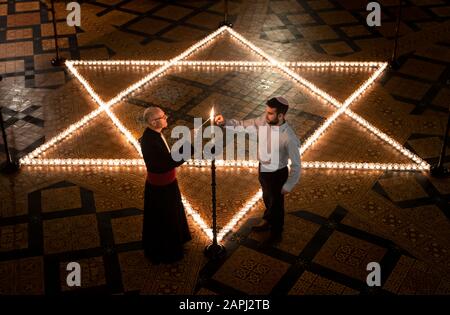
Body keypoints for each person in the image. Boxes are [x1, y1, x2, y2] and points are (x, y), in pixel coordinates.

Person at [215, 97, 301, 242]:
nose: (266, 116)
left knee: (277, 205)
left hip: (277, 174)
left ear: (281, 115)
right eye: (266, 112)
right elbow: (243, 125)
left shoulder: (289, 138)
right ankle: (268, 220)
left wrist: (289, 184)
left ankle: (276, 233)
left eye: (270, 113)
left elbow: (297, 165)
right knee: (267, 198)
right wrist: (226, 122)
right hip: (263, 169)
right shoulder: (263, 121)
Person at [139, 106, 192, 264]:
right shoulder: (150, 141)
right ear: (153, 122)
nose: (166, 118)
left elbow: (167, 157)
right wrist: (189, 144)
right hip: (160, 189)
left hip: (167, 184)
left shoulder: (154, 134)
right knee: (165, 219)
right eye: (163, 116)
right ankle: (167, 251)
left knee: (173, 213)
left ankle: (178, 239)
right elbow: (169, 162)